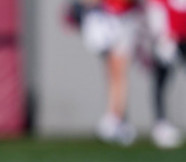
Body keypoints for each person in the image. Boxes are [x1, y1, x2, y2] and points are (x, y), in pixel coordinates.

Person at [75, 0, 144, 146]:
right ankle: (115, 117)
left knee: (119, 71)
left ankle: (116, 118)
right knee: (114, 71)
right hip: (107, 18)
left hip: (125, 18)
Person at [146, 0, 185, 149]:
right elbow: (155, 9)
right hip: (168, 39)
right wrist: (162, 36)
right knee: (161, 81)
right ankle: (161, 124)